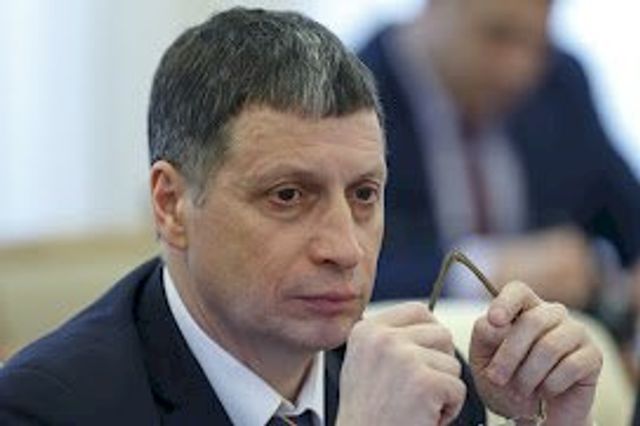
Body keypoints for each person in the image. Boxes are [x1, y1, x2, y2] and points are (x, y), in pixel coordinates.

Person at [0, 7, 602, 425]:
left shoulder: (429, 384)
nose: (346, 248)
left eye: (363, 195)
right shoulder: (43, 409)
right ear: (172, 204)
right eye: (288, 195)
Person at [358, 0, 640, 331]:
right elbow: (344, 268)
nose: (518, 70)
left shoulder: (560, 83)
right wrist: (485, 270)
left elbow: (627, 215)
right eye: (498, 36)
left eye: (537, 43)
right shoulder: (352, 95)